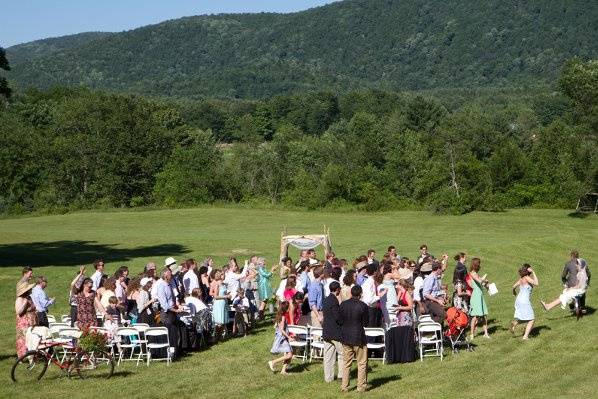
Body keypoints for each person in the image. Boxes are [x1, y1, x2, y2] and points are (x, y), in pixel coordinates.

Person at [339, 285, 369, 393]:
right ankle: (360, 387)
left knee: (346, 363)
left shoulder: (343, 305)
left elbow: (340, 320)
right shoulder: (363, 306)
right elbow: (366, 323)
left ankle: (344, 386)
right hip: (358, 337)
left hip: (346, 336)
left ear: (351, 293)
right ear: (360, 294)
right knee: (361, 363)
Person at [156, 267, 184, 358]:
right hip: (167, 314)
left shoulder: (170, 285)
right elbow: (165, 305)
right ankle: (169, 354)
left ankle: (176, 352)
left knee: (175, 333)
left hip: (173, 312)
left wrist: (178, 305)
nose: (171, 275)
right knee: (170, 334)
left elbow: (173, 299)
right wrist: (175, 310)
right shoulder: (161, 286)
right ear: (165, 275)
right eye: (169, 274)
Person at [322, 281, 343, 383]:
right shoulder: (334, 301)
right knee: (342, 354)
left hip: (326, 332)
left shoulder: (326, 299)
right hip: (335, 332)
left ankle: (328, 378)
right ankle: (341, 376)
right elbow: (337, 317)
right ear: (337, 289)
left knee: (328, 357)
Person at [510, 264, 539, 340]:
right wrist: (534, 272)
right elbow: (536, 283)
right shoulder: (527, 278)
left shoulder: (521, 279)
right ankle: (525, 336)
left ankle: (514, 324)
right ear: (528, 270)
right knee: (532, 319)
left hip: (518, 299)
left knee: (524, 317)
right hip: (524, 300)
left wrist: (514, 292)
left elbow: (513, 287)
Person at [268, 301, 294, 375]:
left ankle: (283, 371)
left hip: (283, 337)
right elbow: (282, 330)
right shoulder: (283, 317)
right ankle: (272, 362)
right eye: (289, 307)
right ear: (286, 308)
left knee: (290, 354)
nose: (290, 308)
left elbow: (277, 327)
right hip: (282, 338)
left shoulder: (280, 315)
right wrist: (289, 337)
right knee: (289, 355)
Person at [392, 280, 416, 363]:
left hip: (406, 316)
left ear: (400, 285)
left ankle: (408, 356)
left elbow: (411, 306)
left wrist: (400, 308)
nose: (396, 286)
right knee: (401, 335)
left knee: (407, 335)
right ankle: (402, 355)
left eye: (397, 284)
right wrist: (398, 306)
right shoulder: (400, 293)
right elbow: (400, 304)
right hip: (400, 316)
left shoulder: (407, 294)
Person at [468, 258, 489, 339]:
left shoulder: (475, 273)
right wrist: (484, 280)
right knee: (475, 316)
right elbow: (479, 281)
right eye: (479, 263)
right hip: (476, 296)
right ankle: (472, 334)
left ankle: (486, 333)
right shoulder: (472, 273)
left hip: (479, 295)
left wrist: (485, 281)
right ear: (476, 264)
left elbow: (481, 282)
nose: (480, 265)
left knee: (483, 315)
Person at [15, 280, 37, 358]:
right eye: (30, 289)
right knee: (23, 339)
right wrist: (25, 304)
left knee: (30, 339)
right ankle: (21, 356)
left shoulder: (29, 297)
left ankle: (30, 356)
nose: (31, 289)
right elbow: (19, 312)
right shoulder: (20, 299)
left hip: (31, 322)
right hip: (23, 323)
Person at [210, 269, 230, 340]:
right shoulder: (217, 285)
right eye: (222, 274)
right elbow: (215, 296)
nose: (223, 275)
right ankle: (215, 336)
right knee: (219, 322)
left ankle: (220, 336)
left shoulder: (224, 284)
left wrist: (228, 294)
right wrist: (226, 296)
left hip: (224, 303)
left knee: (223, 322)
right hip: (219, 304)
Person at [361, 263, 382, 327]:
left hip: (373, 309)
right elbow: (370, 300)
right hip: (370, 309)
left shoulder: (371, 281)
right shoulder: (370, 283)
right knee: (371, 332)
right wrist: (380, 296)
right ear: (375, 272)